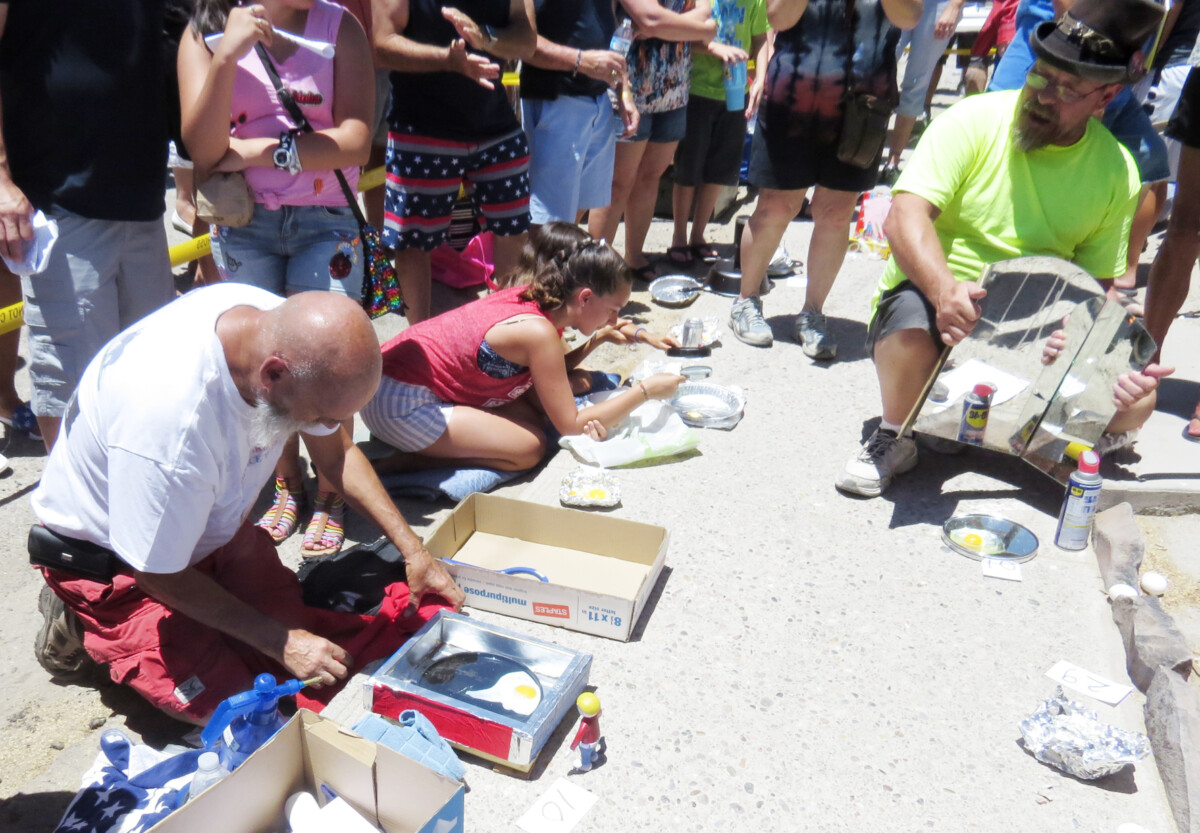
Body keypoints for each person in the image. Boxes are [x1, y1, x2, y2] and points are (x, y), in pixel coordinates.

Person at [31, 286, 463, 723]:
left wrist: (414, 551)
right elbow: (156, 572)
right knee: (238, 711)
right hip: (121, 563)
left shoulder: (274, 324)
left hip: (203, 523)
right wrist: (281, 642)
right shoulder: (170, 426)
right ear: (272, 375)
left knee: (304, 646)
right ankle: (79, 617)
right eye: (318, 416)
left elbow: (337, 454)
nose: (326, 428)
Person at [835, 0, 1168, 497]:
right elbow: (906, 216)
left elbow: (1094, 288)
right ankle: (897, 432)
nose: (1043, 94)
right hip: (939, 298)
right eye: (1040, 75)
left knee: (1138, 399)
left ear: (1107, 96)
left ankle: (1011, 429)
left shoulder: (1117, 169)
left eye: (1067, 88)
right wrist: (944, 289)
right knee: (908, 328)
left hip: (1034, 328)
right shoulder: (972, 120)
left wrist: (1084, 341)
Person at [179, 0, 375, 556]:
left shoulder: (341, 27)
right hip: (244, 225)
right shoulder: (208, 30)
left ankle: (334, 492)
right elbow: (204, 149)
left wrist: (263, 151)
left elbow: (357, 139)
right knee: (264, 368)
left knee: (329, 359)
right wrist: (228, 57)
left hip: (326, 220)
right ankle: (285, 486)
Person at [0, 0, 176, 451]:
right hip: (60, 204)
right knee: (71, 388)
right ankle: (75, 517)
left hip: (143, 200)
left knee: (150, 381)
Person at [361, 237, 685, 472]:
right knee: (529, 449)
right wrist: (646, 391)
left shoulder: (538, 301)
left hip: (386, 384)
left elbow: (547, 374)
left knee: (537, 411)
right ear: (585, 298)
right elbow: (571, 424)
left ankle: (426, 447)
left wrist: (597, 339)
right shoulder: (539, 332)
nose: (615, 320)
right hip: (397, 404)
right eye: (613, 310)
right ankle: (409, 462)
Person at [728, 0, 922, 353]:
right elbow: (778, 16)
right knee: (775, 207)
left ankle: (812, 313)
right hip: (793, 97)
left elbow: (909, 15)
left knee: (835, 214)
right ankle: (746, 300)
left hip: (862, 109)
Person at [989, 0, 1171, 316]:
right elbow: (1067, 11)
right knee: (1003, 139)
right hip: (1058, 43)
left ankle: (1116, 274)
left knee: (1152, 161)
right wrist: (1084, 68)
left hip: (1112, 64)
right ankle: (1006, 255)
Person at [373, 0, 536, 325]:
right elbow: (382, 44)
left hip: (495, 124)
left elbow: (526, 40)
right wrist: (448, 60)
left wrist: (486, 38)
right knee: (413, 242)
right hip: (421, 128)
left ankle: (509, 336)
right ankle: (420, 342)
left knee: (514, 231)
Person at [586, 0, 718, 281]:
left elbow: (707, 14)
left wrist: (662, 25)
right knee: (617, 183)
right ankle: (596, 272)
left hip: (675, 88)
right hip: (628, 87)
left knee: (650, 177)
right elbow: (652, 20)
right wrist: (685, 26)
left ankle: (634, 256)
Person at [520, 0, 640, 229]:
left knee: (573, 219)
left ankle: (562, 265)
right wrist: (581, 61)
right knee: (549, 224)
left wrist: (623, 88)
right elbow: (522, 41)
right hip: (556, 102)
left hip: (598, 101)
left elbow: (609, 24)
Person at [668, 0, 770, 265]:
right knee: (688, 168)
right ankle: (679, 237)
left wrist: (760, 78)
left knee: (719, 169)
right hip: (697, 89)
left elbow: (760, 40)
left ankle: (698, 235)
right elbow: (681, 36)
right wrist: (713, 49)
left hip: (736, 93)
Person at [880, 0, 963, 183]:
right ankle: (864, 155)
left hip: (939, 5)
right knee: (877, 73)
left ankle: (892, 163)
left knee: (917, 83)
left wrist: (954, 6)